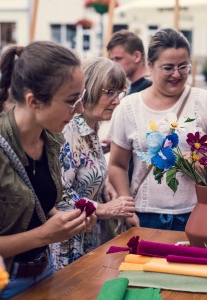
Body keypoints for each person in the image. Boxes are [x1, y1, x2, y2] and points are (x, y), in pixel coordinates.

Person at [0, 41, 95, 299]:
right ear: (34, 101)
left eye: (80, 98)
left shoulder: (51, 139)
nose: (80, 110)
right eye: (73, 101)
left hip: (45, 271)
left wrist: (65, 219)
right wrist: (43, 235)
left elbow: (33, 205)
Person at [107, 28, 207, 231]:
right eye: (168, 68)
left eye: (183, 67)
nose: (177, 74)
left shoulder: (204, 101)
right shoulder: (129, 107)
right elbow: (117, 165)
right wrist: (126, 205)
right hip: (143, 215)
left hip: (197, 213)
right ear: (150, 65)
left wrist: (203, 164)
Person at [51, 57, 135, 270]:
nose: (117, 101)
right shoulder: (69, 128)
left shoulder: (91, 127)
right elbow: (60, 193)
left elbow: (85, 171)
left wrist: (105, 185)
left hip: (86, 239)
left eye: (120, 93)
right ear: (89, 89)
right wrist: (106, 209)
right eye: (110, 92)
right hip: (67, 246)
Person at [106, 30, 152, 95]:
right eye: (112, 60)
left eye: (118, 59)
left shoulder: (148, 90)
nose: (113, 64)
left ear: (137, 56)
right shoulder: (132, 88)